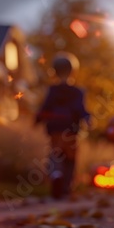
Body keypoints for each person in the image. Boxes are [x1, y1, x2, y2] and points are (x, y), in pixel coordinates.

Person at [35, 52, 90, 200]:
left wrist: (38, 119)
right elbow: (81, 109)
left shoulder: (52, 90)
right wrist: (88, 119)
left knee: (56, 154)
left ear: (54, 71)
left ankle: (56, 175)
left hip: (55, 129)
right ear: (73, 71)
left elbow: (45, 107)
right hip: (71, 130)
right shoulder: (77, 92)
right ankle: (66, 187)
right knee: (70, 159)